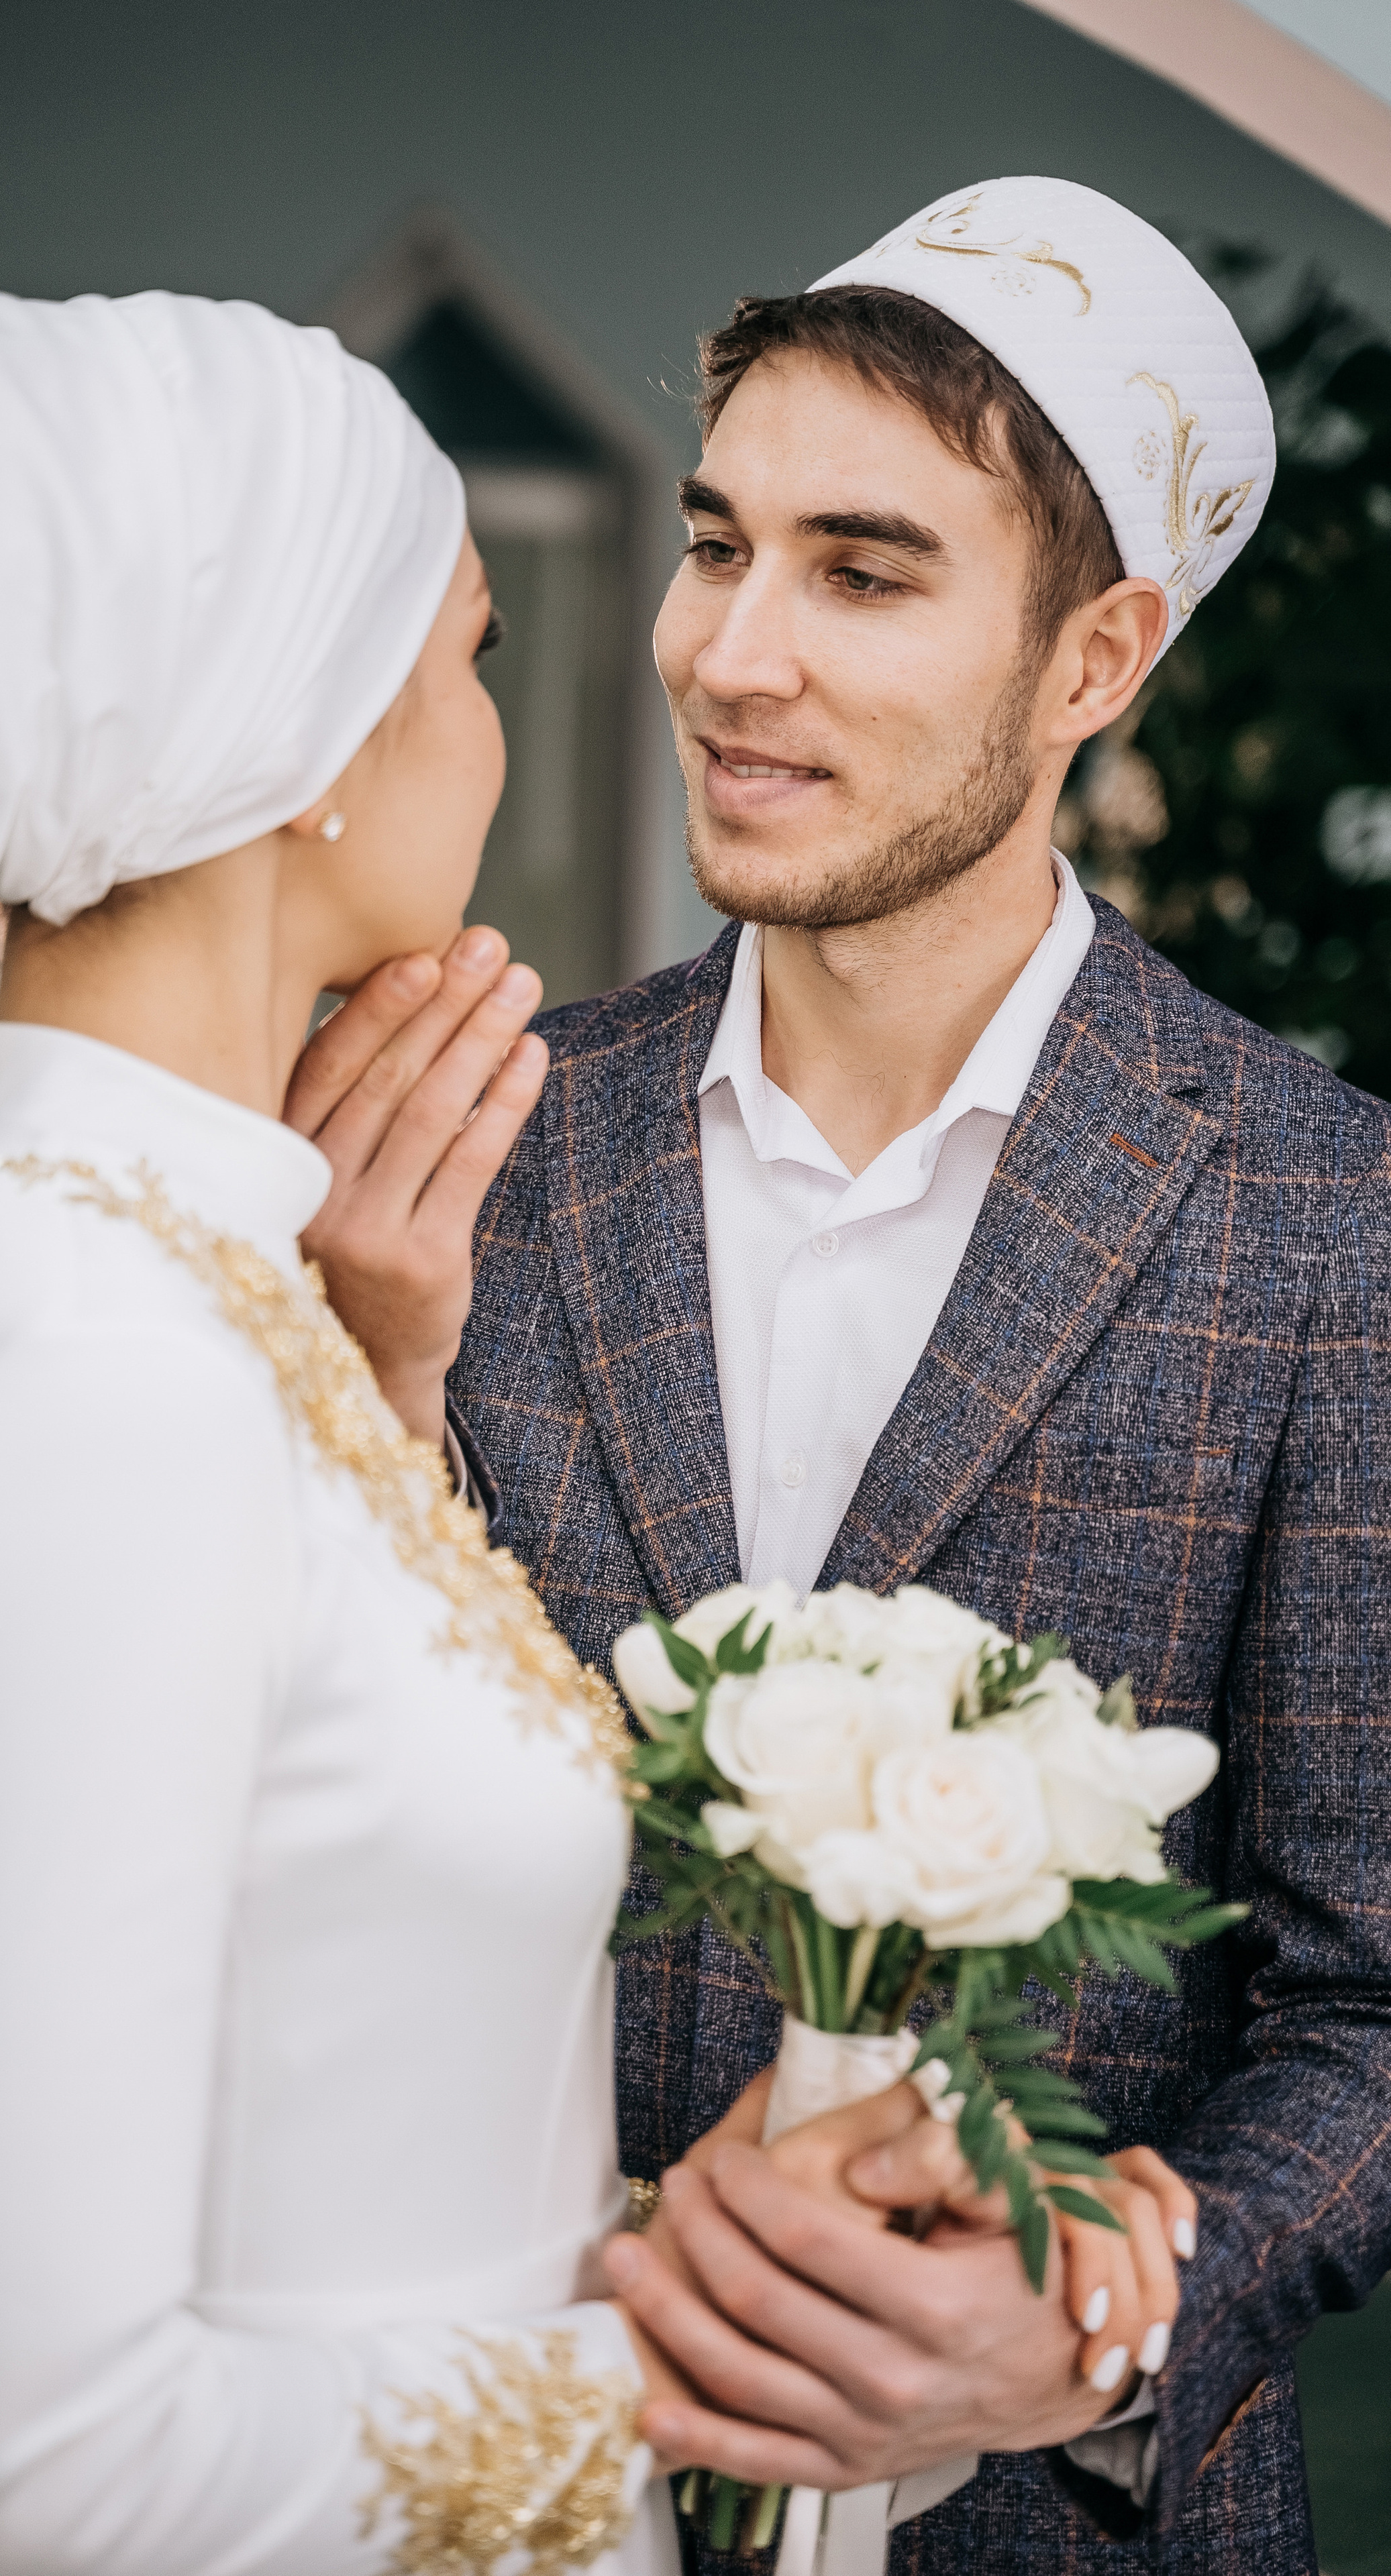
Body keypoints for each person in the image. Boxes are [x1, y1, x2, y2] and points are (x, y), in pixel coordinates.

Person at [0, 276, 1188, 2576]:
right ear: (302, 741)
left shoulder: (193, 1295)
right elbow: (45, 2467)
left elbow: (334, 2065)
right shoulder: (109, 1370)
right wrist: (705, 2375)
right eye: (474, 653)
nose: (687, 668)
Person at [288, 177, 1391, 2575]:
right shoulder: (481, 1141)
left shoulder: (1330, 1223)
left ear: (1095, 657)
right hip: (497, 2478)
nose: (729, 654)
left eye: (863, 573)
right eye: (720, 547)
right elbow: (309, 1826)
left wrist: (1095, 2319)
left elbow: (1375, 2008)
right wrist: (362, 1399)